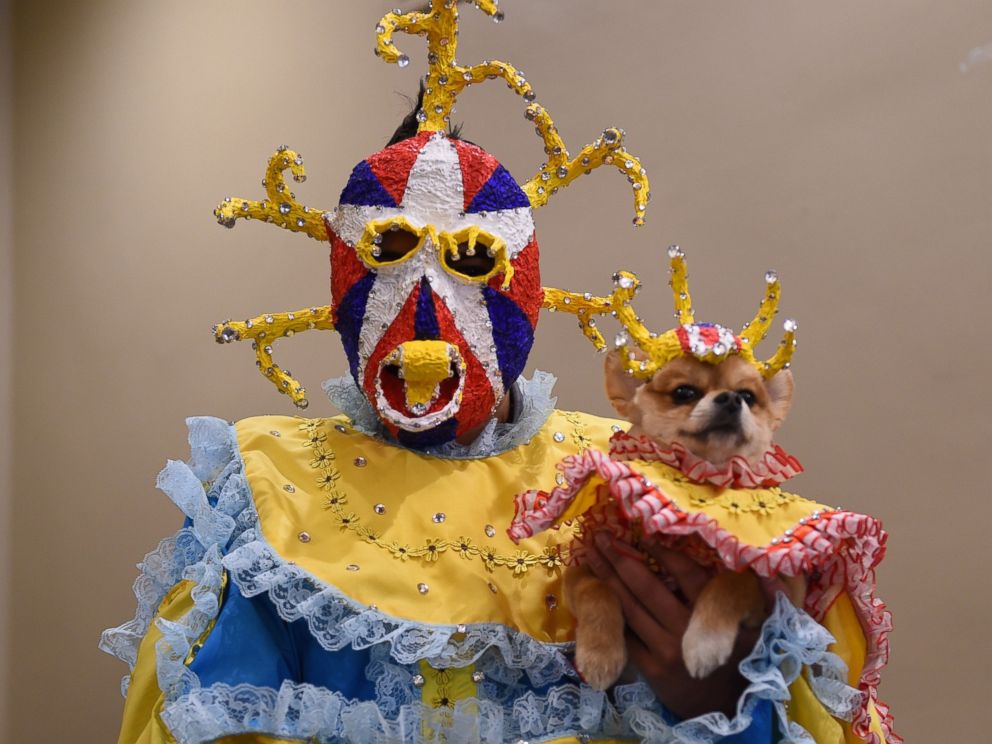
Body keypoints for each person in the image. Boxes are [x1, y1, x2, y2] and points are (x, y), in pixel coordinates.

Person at [101, 4, 896, 742]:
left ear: (523, 284)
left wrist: (722, 701)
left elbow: (767, 698)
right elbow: (209, 716)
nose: (422, 313)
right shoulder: (269, 491)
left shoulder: (625, 489)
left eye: (470, 260)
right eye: (387, 255)